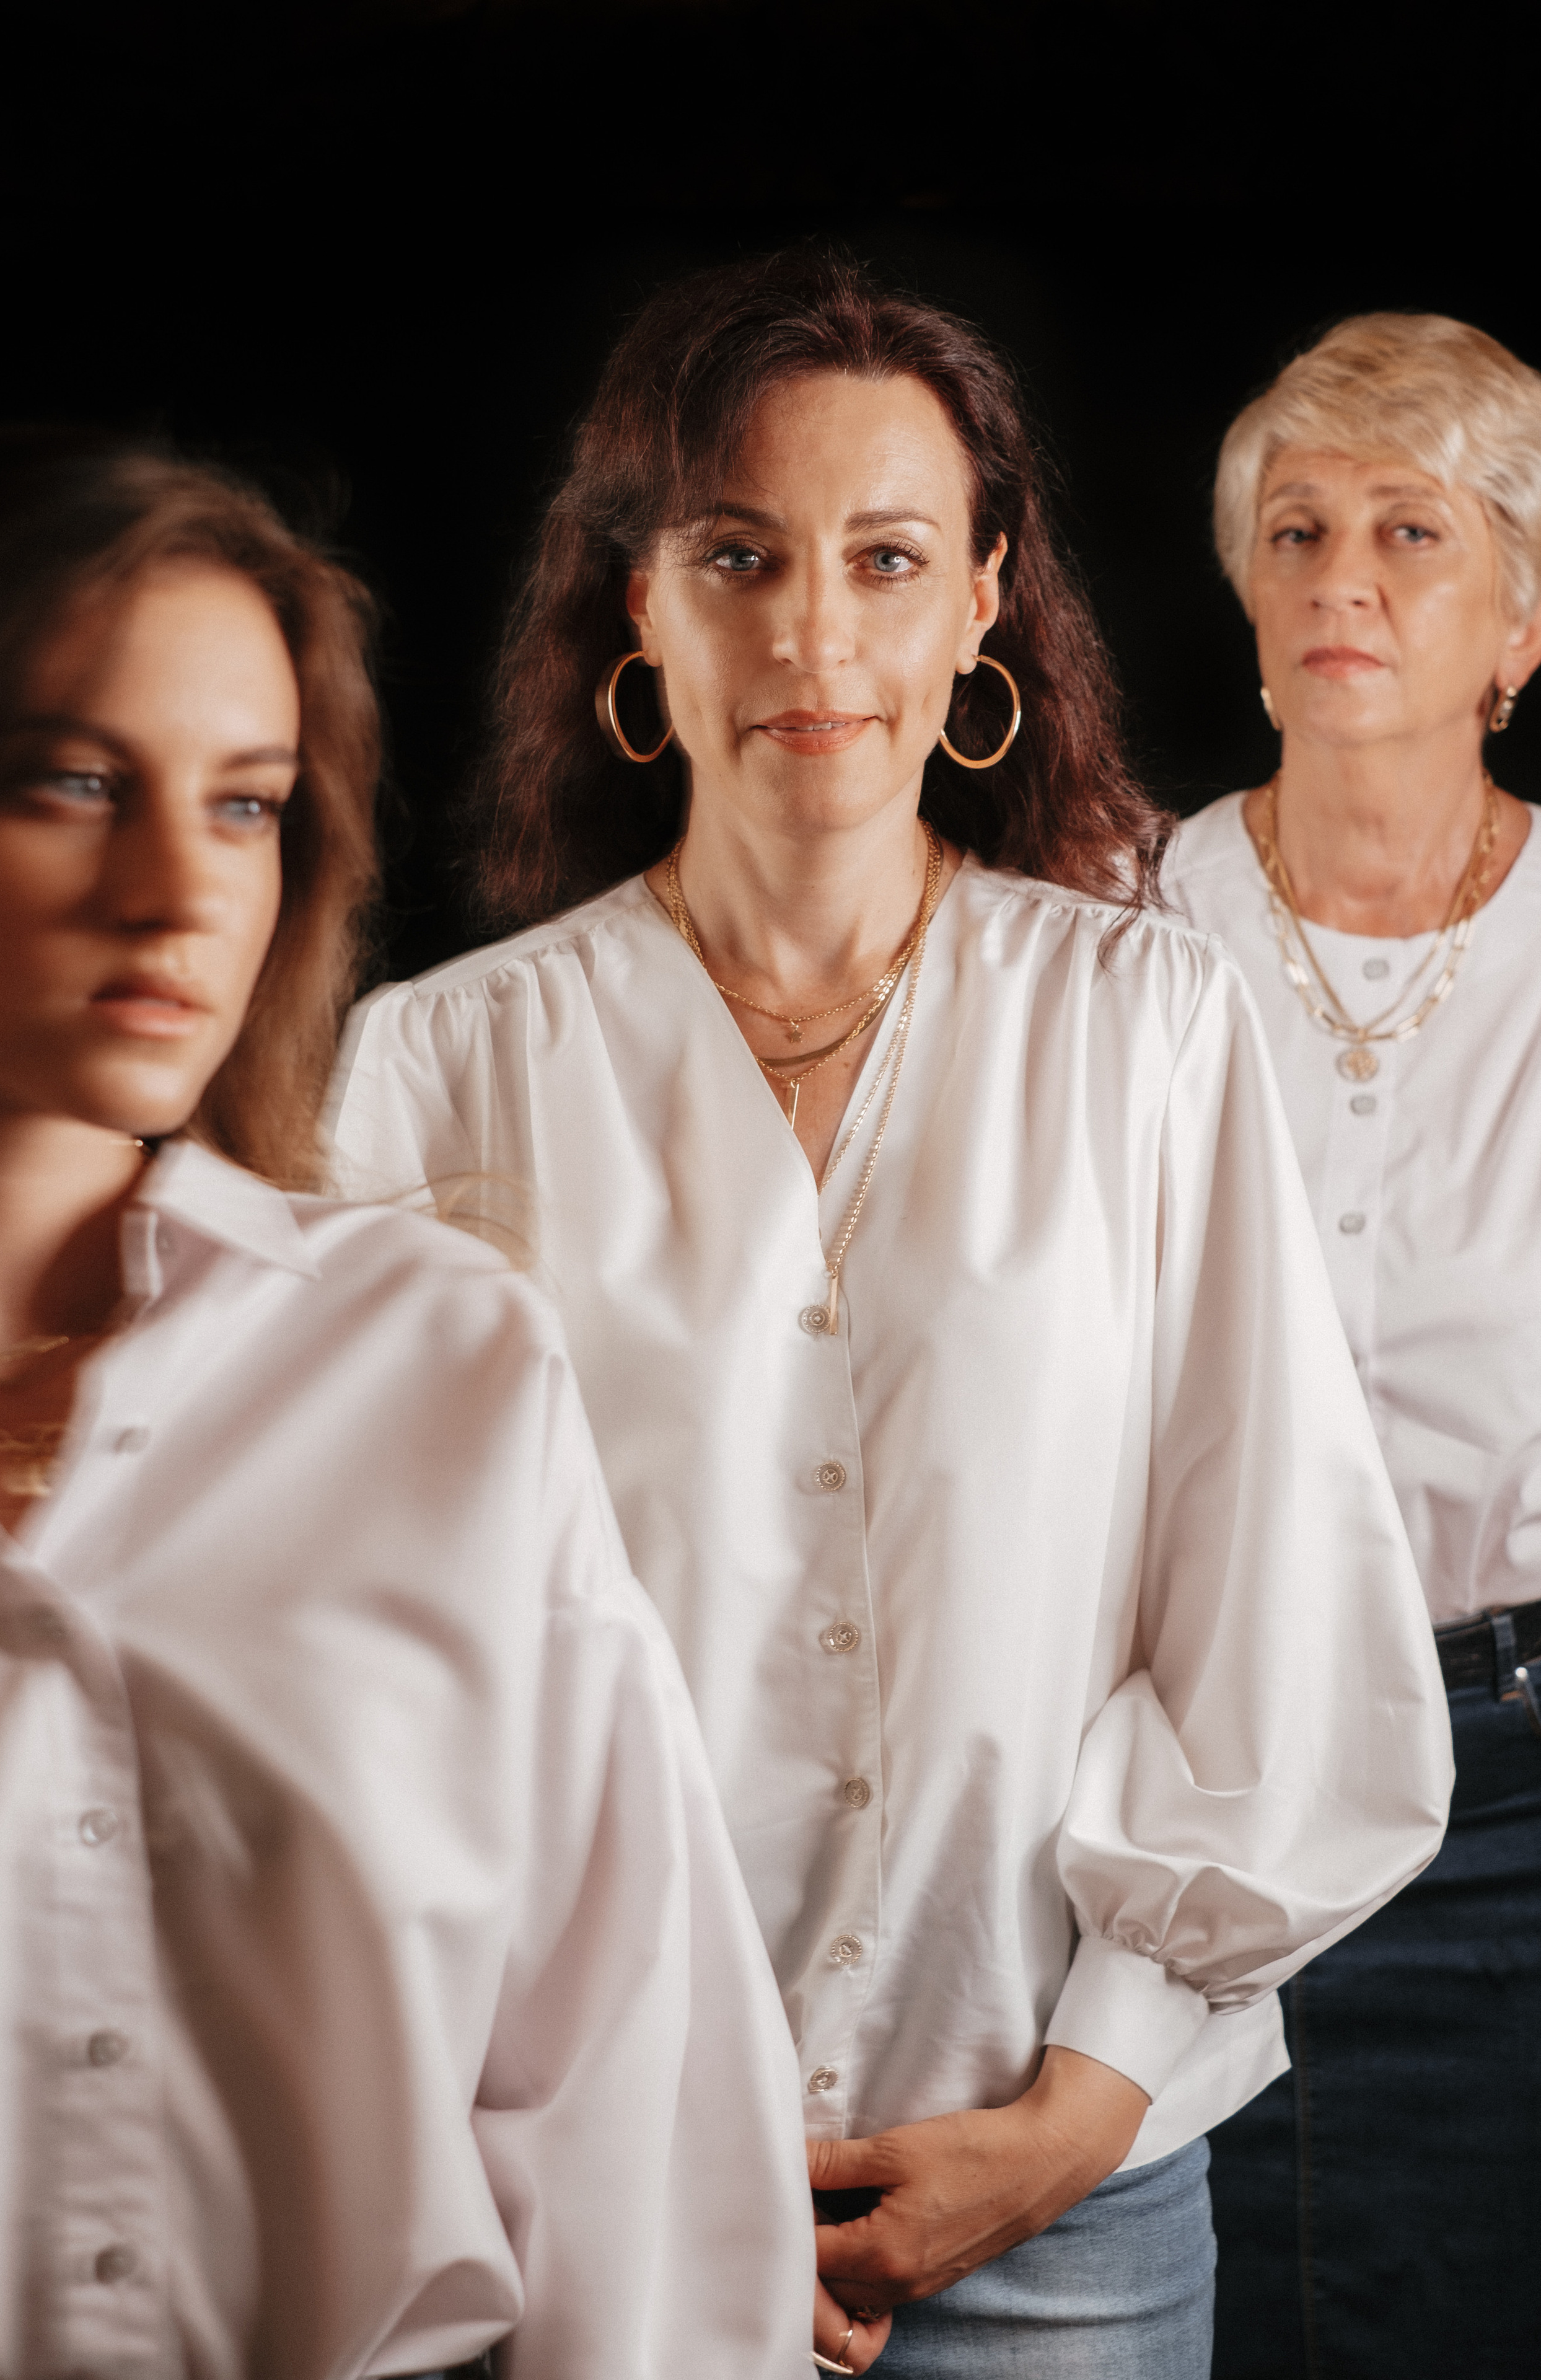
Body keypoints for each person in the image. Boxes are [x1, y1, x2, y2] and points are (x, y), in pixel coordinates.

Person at [328, 252, 1453, 2379]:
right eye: (741, 555)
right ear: (635, 604)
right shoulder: (430, 1078)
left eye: (888, 558)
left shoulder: (1145, 1027)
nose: (814, 635)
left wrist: (1081, 2103)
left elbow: (1276, 1604)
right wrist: (609, 2160)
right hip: (592, 2229)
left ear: (982, 607)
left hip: (1072, 2219)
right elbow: (375, 1700)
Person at [0, 427, 815, 2380]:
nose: (178, 883)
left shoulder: (436, 1363)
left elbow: (630, 2110)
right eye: (76, 782)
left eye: (247, 805)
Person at [1160, 312, 1541, 2380]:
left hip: (1521, 1798)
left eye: (1413, 532)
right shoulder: (1118, 924)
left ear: (1520, 631)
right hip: (1202, 1766)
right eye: (1296, 534)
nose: (1342, 579)